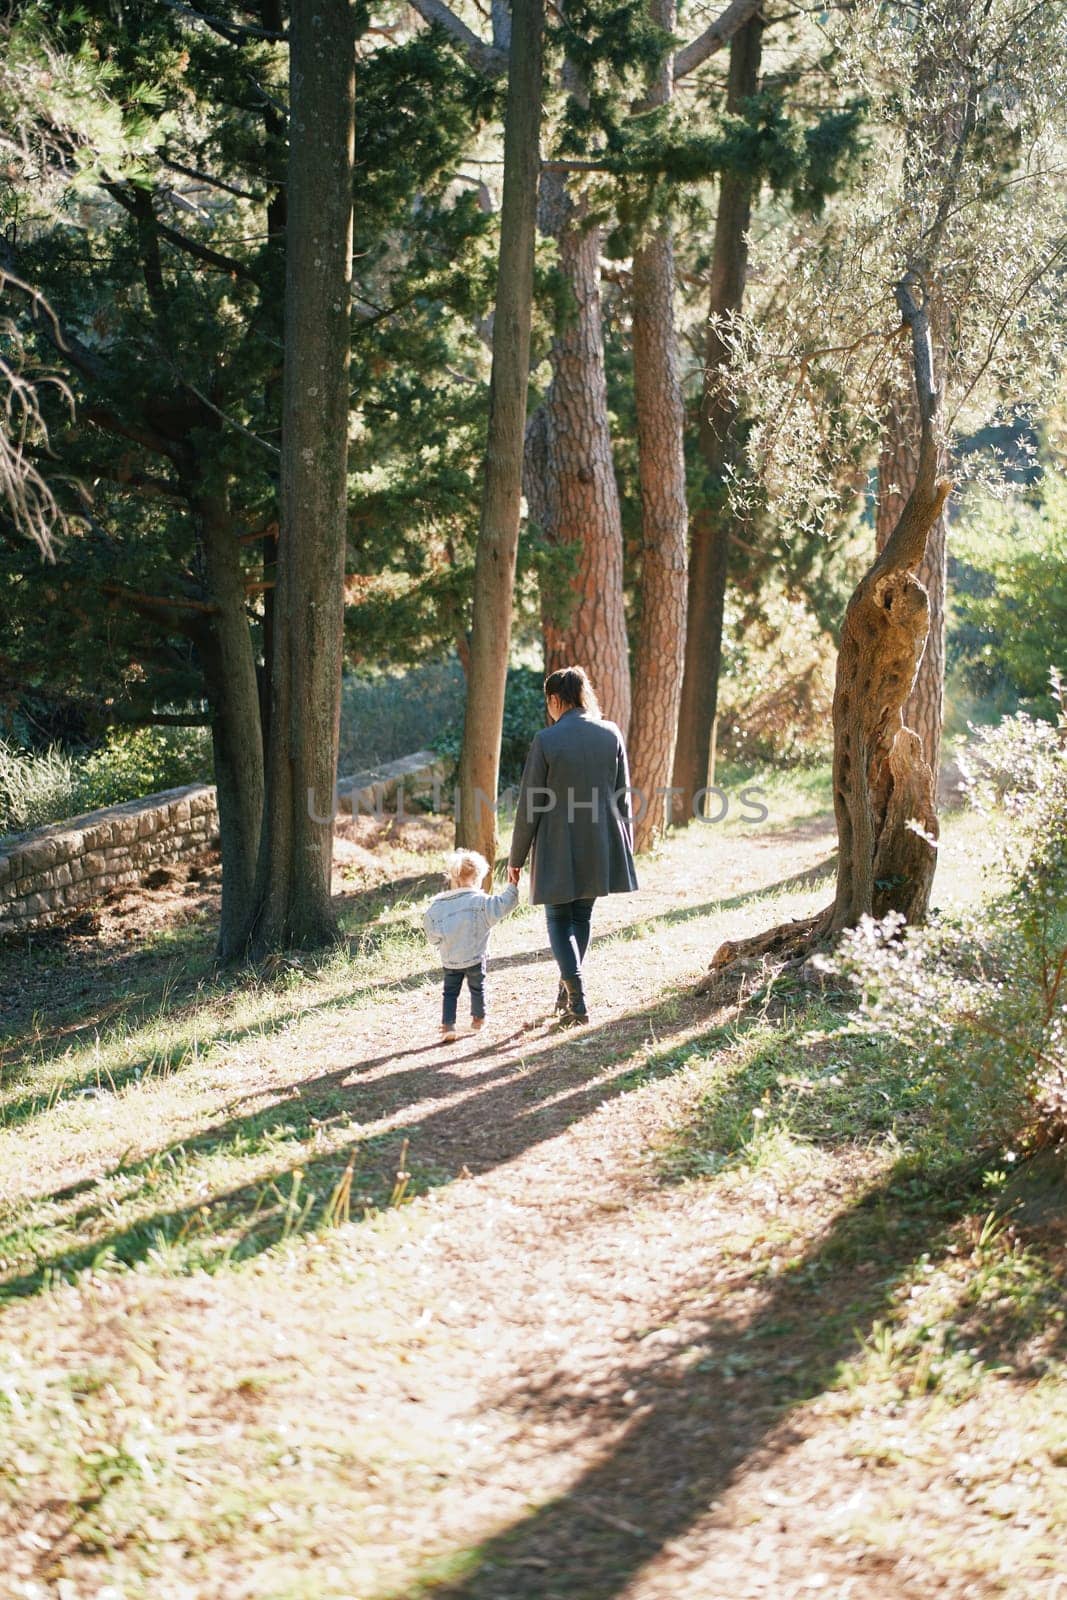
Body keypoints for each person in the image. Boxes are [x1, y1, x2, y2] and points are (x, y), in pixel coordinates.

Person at [507, 665, 638, 1026]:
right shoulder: (611, 733)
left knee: (558, 917)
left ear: (554, 699)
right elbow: (623, 797)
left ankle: (576, 995)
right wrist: (625, 846)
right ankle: (567, 993)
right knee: (581, 916)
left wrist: (515, 857)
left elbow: (530, 804)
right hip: (600, 840)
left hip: (557, 841)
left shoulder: (546, 740)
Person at [423, 848, 519, 1043]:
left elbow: (430, 928)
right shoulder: (482, 902)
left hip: (450, 961)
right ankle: (478, 1019)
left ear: (453, 877)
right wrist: (512, 885)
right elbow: (504, 904)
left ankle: (448, 1025)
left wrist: (439, 942)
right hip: (475, 958)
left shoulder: (438, 906)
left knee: (450, 992)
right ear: (478, 878)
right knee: (477, 987)